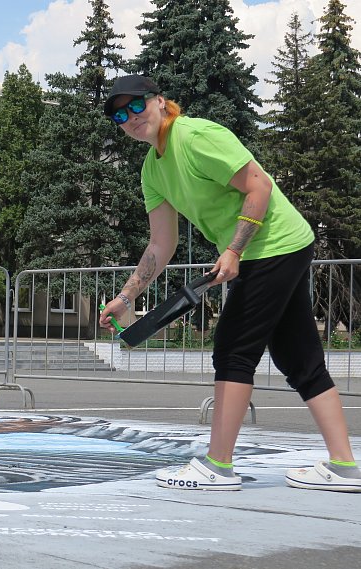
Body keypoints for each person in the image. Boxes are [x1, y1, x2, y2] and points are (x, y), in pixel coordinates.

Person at [99, 75, 360, 492]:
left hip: (271, 246)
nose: (130, 119)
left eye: (136, 106)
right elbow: (160, 244)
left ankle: (218, 465)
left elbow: (260, 186)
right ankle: (345, 465)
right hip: (279, 247)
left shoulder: (197, 136)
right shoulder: (152, 171)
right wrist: (127, 296)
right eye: (119, 116)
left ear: (161, 102)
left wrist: (234, 250)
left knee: (234, 349)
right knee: (298, 358)